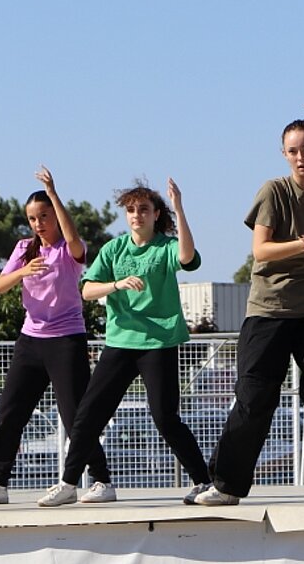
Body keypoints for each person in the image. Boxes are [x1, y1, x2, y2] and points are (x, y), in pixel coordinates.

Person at [195, 117, 304, 506]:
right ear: (284, 154)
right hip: (268, 309)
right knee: (254, 398)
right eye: (293, 151)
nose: (301, 157)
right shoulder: (273, 191)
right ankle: (226, 485)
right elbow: (261, 250)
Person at [36, 178, 211, 506]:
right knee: (88, 414)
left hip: (158, 343)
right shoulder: (114, 249)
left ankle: (203, 481)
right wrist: (116, 285)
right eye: (131, 210)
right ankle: (71, 483)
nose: (136, 216)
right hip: (120, 343)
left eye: (143, 210)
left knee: (165, 417)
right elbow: (86, 290)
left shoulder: (164, 246)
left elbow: (186, 257)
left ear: (156, 214)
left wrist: (180, 208)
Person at [0, 166, 112, 505]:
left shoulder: (69, 250)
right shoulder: (24, 248)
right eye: (32, 218)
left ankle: (101, 481)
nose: (38, 223)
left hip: (66, 340)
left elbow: (73, 237)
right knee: (9, 413)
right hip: (30, 340)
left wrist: (53, 194)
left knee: (76, 415)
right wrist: (22, 269)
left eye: (44, 216)